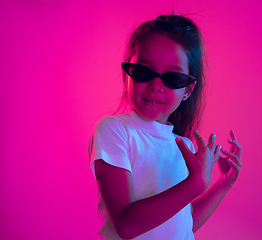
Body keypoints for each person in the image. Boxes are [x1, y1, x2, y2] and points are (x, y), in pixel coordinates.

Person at [88, 13, 242, 240]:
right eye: (143, 72)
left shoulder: (185, 147)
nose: (155, 85)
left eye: (172, 78)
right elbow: (126, 225)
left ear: (188, 90)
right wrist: (194, 183)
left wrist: (223, 184)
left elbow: (181, 225)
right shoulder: (114, 131)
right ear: (126, 75)